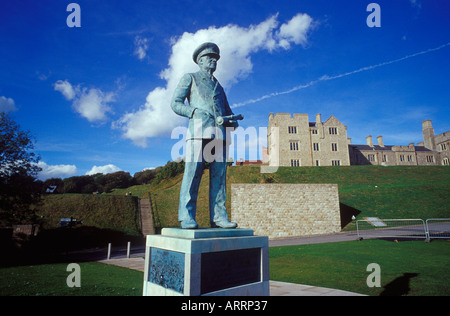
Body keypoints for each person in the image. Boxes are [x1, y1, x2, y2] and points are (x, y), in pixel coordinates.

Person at [171, 42, 240, 229]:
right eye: (209, 57)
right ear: (200, 61)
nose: (213, 60)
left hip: (220, 136)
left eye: (215, 58)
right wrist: (193, 112)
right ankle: (186, 216)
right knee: (192, 174)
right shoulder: (190, 78)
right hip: (198, 133)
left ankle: (219, 217)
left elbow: (228, 111)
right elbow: (175, 103)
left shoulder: (219, 87)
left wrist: (232, 120)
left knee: (219, 177)